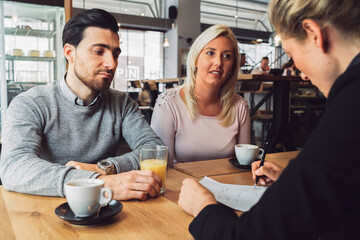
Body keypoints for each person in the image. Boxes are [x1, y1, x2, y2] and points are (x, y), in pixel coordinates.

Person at [178, 0, 360, 239]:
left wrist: (202, 206)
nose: (302, 74)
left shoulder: (350, 106)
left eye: (292, 55)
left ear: (313, 34)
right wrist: (296, 185)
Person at [0, 9, 164, 201]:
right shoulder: (30, 103)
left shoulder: (122, 103)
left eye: (115, 54)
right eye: (99, 51)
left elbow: (155, 149)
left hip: (108, 210)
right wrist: (100, 182)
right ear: (70, 53)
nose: (111, 63)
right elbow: (14, 167)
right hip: (46, 210)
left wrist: (105, 168)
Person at [151, 25, 251, 166]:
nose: (218, 62)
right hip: (182, 185)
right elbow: (160, 166)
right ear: (196, 59)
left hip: (227, 185)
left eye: (227, 56)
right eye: (210, 53)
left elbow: (244, 164)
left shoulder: (240, 106)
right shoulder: (168, 103)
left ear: (233, 66)